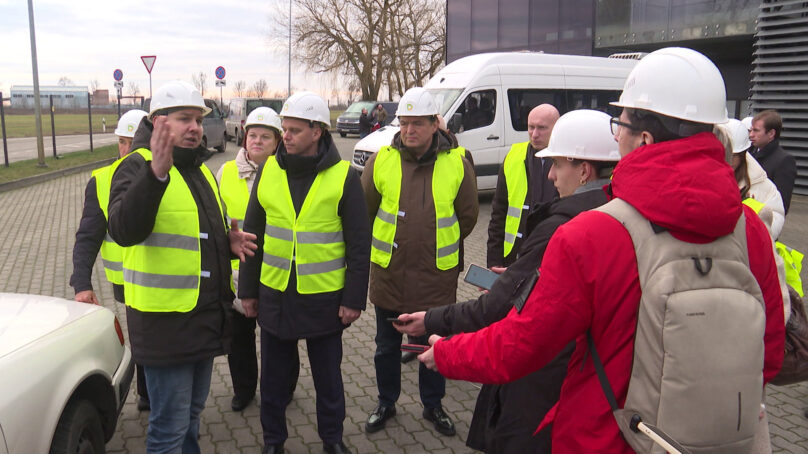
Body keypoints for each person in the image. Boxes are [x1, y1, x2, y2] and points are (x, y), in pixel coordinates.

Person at [422, 47, 785, 453]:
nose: (617, 135)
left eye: (621, 124)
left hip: (609, 439)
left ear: (644, 138)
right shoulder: (751, 230)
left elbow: (524, 345)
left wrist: (448, 353)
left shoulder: (592, 235)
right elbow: (768, 355)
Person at [395, 110, 620, 453]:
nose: (553, 176)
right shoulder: (618, 215)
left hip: (542, 384)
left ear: (584, 170)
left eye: (558, 165)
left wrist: (435, 327)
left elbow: (502, 317)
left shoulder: (566, 227)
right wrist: (520, 274)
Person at [108, 80, 257, 454]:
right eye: (184, 119)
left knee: (191, 415)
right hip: (165, 326)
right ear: (159, 123)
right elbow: (124, 230)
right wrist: (155, 175)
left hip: (204, 319)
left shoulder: (201, 170)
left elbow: (194, 234)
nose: (194, 127)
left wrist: (229, 242)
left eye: (197, 119)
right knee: (169, 429)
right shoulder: (136, 166)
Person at [238, 91, 370, 454]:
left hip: (325, 300)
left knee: (329, 381)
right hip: (275, 297)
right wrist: (247, 293)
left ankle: (332, 440)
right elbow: (252, 237)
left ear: (318, 132)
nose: (287, 137)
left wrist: (354, 299)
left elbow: (360, 244)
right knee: (274, 382)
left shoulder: (344, 176)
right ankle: (273, 442)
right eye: (285, 129)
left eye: (295, 130)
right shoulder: (268, 170)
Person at [361, 87, 478, 437]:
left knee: (433, 345)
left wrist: (431, 243)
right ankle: (386, 401)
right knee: (386, 347)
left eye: (417, 124)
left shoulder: (457, 162)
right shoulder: (382, 159)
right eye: (404, 123)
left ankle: (433, 405)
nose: (409, 130)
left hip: (435, 278)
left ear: (434, 125)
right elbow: (365, 210)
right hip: (389, 275)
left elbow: (469, 216)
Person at [216, 107, 300, 412]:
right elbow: (216, 218)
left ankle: (285, 386)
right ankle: (244, 389)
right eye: (253, 135)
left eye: (266, 136)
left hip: (276, 272)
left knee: (281, 336)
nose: (258, 141)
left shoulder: (289, 172)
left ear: (277, 141)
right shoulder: (225, 172)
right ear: (244, 136)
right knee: (239, 339)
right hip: (238, 273)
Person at [71, 108, 150, 410]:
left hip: (168, 278)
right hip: (128, 281)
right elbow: (88, 235)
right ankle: (146, 393)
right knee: (141, 335)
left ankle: (154, 392)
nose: (127, 149)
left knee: (157, 339)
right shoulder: (102, 181)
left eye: (133, 141)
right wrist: (81, 282)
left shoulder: (166, 174)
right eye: (122, 141)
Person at [487, 104, 559, 267]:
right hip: (514, 255)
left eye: (541, 128)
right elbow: (499, 213)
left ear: (557, 128)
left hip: (551, 256)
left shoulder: (569, 160)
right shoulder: (514, 157)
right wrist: (493, 261)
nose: (534, 134)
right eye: (530, 127)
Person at [717, 118, 785, 239]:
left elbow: (775, 220)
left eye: (733, 156)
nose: (727, 160)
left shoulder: (762, 185)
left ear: (743, 154)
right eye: (723, 154)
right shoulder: (702, 177)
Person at [749, 109, 796, 213]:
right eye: (750, 130)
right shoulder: (749, 154)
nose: (751, 135)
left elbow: (781, 205)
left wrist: (747, 204)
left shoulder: (784, 161)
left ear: (771, 133)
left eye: (756, 130)